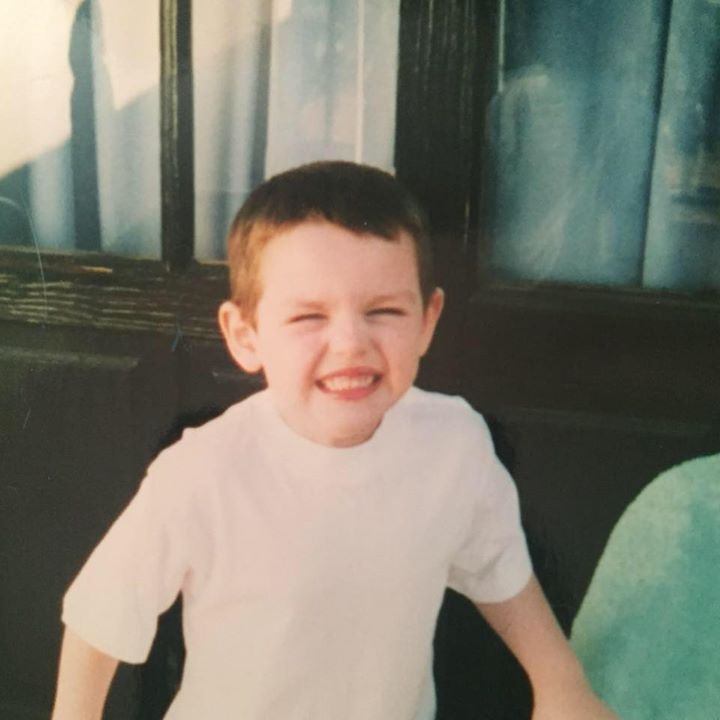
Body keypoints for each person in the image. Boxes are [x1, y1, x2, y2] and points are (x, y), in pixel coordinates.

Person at [52, 161, 616, 720]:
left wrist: (560, 682)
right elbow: (100, 617)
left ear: (427, 321)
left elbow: (498, 567)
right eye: (308, 317)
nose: (349, 343)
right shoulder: (203, 472)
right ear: (245, 336)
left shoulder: (454, 444)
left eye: (384, 310)